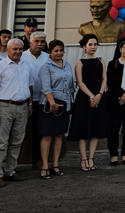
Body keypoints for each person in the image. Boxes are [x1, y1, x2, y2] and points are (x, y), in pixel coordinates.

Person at [0, 38, 33, 187]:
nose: (18, 52)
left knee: (17, 141)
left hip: (22, 107)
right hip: (5, 107)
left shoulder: (26, 65)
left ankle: (10, 170)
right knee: (1, 142)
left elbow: (30, 86)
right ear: (7, 50)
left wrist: (30, 104)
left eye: (20, 49)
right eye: (15, 49)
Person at [69, 34, 108, 171]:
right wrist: (91, 96)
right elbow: (79, 82)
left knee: (95, 129)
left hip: (99, 98)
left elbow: (104, 79)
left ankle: (91, 158)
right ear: (84, 46)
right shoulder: (80, 62)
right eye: (90, 44)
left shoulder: (101, 60)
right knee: (83, 129)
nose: (93, 47)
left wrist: (99, 95)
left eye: (95, 44)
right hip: (84, 98)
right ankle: (83, 159)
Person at [36, 40, 71, 178]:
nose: (59, 53)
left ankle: (55, 164)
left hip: (64, 103)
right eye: (56, 50)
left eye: (61, 50)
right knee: (47, 135)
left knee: (59, 134)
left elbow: (70, 85)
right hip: (49, 104)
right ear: (49, 52)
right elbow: (46, 87)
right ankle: (45, 165)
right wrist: (52, 103)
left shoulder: (67, 65)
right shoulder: (46, 67)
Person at [22, 29, 49, 168]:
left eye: (42, 42)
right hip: (25, 99)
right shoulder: (22, 56)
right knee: (21, 131)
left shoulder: (47, 57)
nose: (39, 44)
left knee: (40, 131)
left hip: (43, 100)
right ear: (30, 42)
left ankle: (38, 160)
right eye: (36, 41)